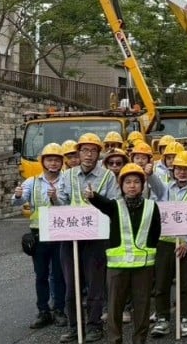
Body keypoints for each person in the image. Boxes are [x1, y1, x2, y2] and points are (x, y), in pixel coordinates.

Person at [85, 162, 161, 344]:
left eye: (136, 182)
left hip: (143, 267)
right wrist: (92, 196)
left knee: (142, 309)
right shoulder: (115, 206)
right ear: (121, 186)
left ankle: (139, 341)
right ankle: (115, 340)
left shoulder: (151, 206)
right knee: (114, 309)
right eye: (128, 182)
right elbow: (101, 203)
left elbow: (155, 232)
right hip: (118, 268)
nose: (132, 185)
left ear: (142, 186)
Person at [56, 132, 120, 343]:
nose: (88, 155)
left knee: (95, 284)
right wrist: (54, 198)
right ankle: (75, 327)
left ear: (99, 154)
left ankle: (94, 326)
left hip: (96, 237)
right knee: (71, 283)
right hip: (71, 236)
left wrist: (96, 198)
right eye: (84, 150)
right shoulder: (68, 175)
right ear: (78, 152)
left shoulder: (108, 176)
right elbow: (62, 205)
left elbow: (114, 205)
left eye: (93, 150)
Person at [148, 149, 187, 338]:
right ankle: (162, 318)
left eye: (186, 169)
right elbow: (154, 184)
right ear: (172, 170)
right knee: (162, 283)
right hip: (164, 243)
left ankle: (185, 317)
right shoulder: (165, 188)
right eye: (178, 169)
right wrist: (148, 174)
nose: (182, 172)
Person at [12, 142, 68, 329]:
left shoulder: (67, 180)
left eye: (57, 160)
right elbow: (17, 202)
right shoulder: (32, 182)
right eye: (49, 160)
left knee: (59, 274)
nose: (53, 163)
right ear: (43, 162)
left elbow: (70, 205)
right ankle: (43, 311)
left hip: (60, 232)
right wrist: (18, 195)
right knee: (41, 275)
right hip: (39, 234)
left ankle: (59, 310)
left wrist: (55, 199)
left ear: (61, 162)